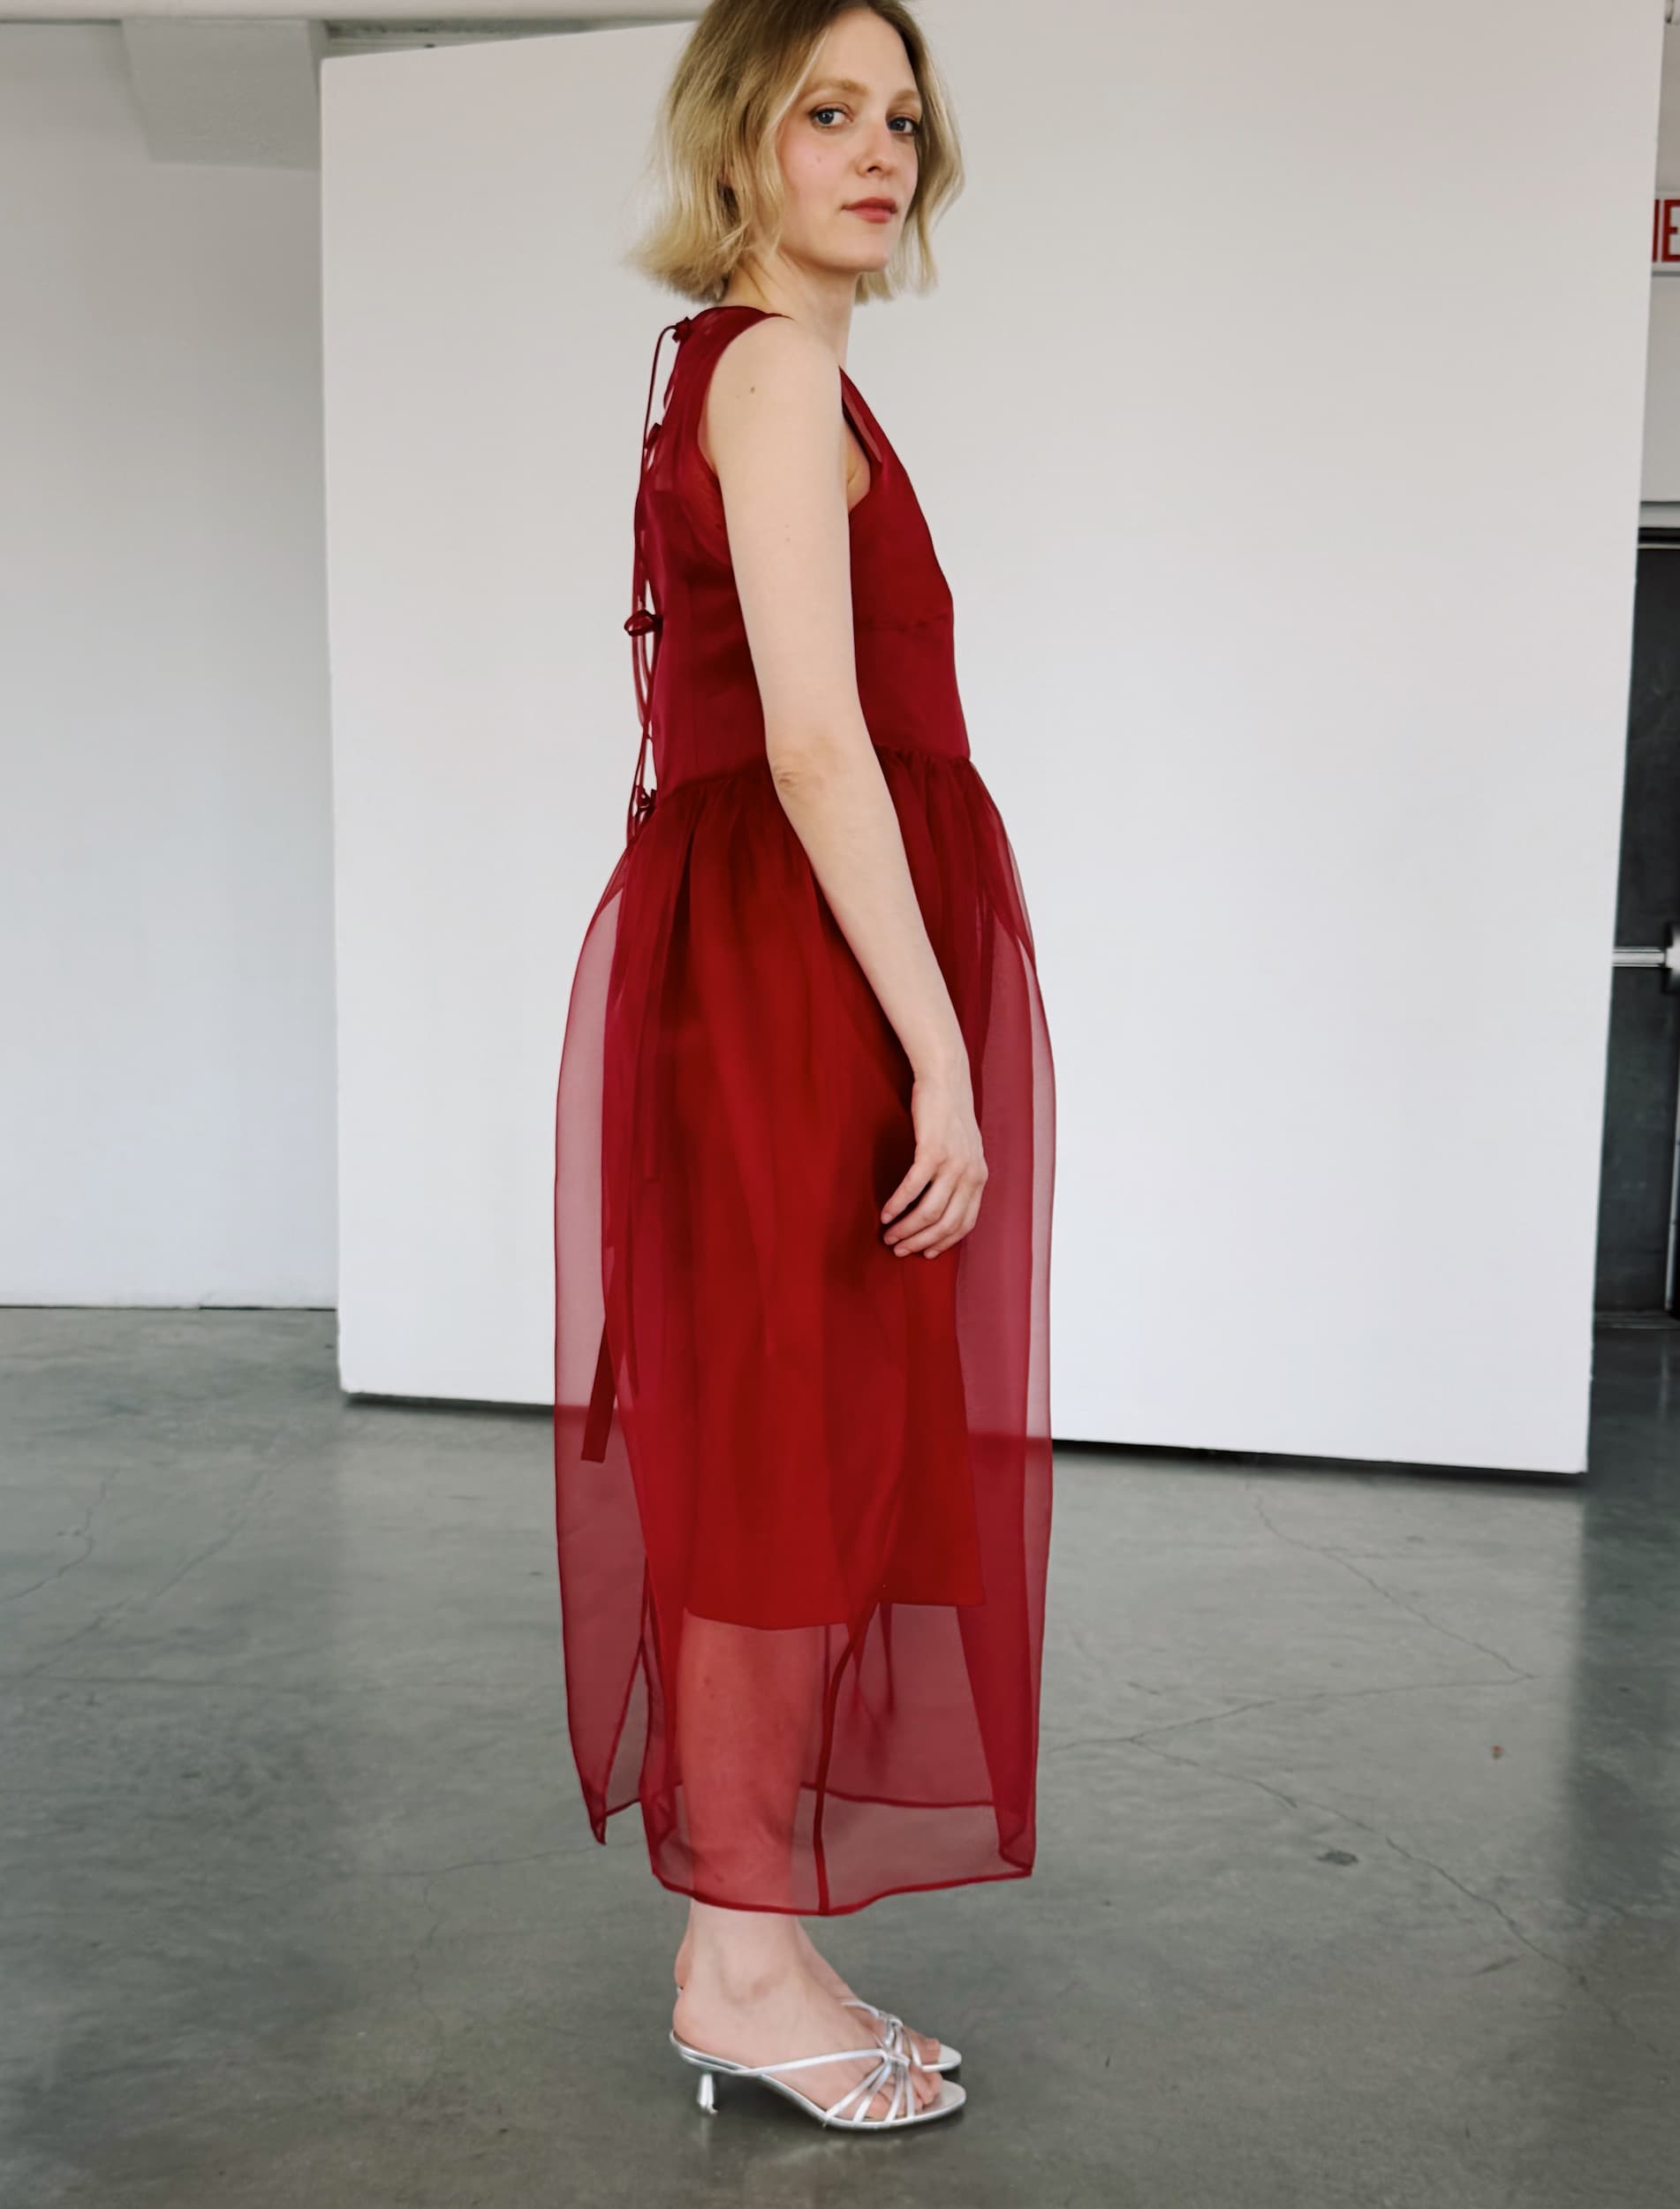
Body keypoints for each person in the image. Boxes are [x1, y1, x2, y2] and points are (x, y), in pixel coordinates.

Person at [551, 0, 1056, 2133]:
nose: (879, 152)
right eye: (828, 111)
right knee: (779, 1453)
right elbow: (821, 744)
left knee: (815, 1440)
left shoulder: (756, 371)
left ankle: (747, 1931)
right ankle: (739, 1965)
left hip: (783, 971)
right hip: (804, 990)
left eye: (904, 120)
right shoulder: (769, 369)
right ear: (740, 141)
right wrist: (939, 1051)